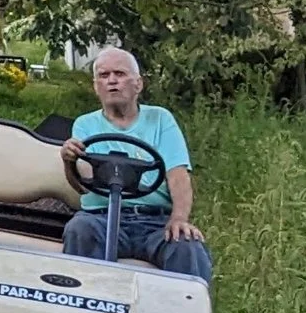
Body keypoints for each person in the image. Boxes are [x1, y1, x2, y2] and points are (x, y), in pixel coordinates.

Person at [61, 48, 212, 278]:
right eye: (104, 75)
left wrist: (179, 219)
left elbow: (177, 174)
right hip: (101, 217)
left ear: (138, 84)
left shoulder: (160, 119)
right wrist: (68, 161)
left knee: (188, 246)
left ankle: (183, 311)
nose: (112, 81)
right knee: (80, 230)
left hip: (155, 222)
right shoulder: (85, 125)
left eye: (119, 74)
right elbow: (82, 183)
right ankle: (86, 308)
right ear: (95, 86)